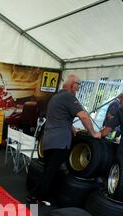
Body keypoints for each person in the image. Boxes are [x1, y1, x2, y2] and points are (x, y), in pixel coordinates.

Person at [27, 74, 101, 203]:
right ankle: (35, 197)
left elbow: (59, 118)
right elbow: (83, 116)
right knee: (51, 172)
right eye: (78, 84)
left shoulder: (56, 97)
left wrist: (72, 128)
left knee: (49, 170)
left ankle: (39, 196)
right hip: (59, 142)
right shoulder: (68, 96)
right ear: (72, 84)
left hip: (48, 140)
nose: (78, 88)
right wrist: (94, 133)